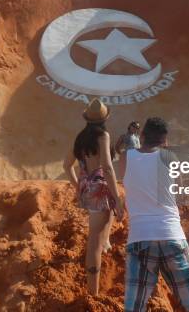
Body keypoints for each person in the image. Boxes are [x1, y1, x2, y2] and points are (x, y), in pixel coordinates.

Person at [119, 117, 189, 312]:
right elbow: (179, 191)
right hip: (171, 233)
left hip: (140, 237)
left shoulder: (126, 157)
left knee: (133, 307)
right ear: (165, 140)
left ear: (142, 136)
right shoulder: (170, 158)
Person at [63, 98, 124, 296]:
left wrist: (78, 186)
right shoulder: (103, 136)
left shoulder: (80, 138)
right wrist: (117, 198)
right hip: (99, 191)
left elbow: (66, 166)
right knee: (94, 244)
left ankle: (106, 242)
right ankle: (93, 293)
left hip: (88, 191)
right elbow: (107, 167)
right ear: (105, 119)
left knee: (100, 233)